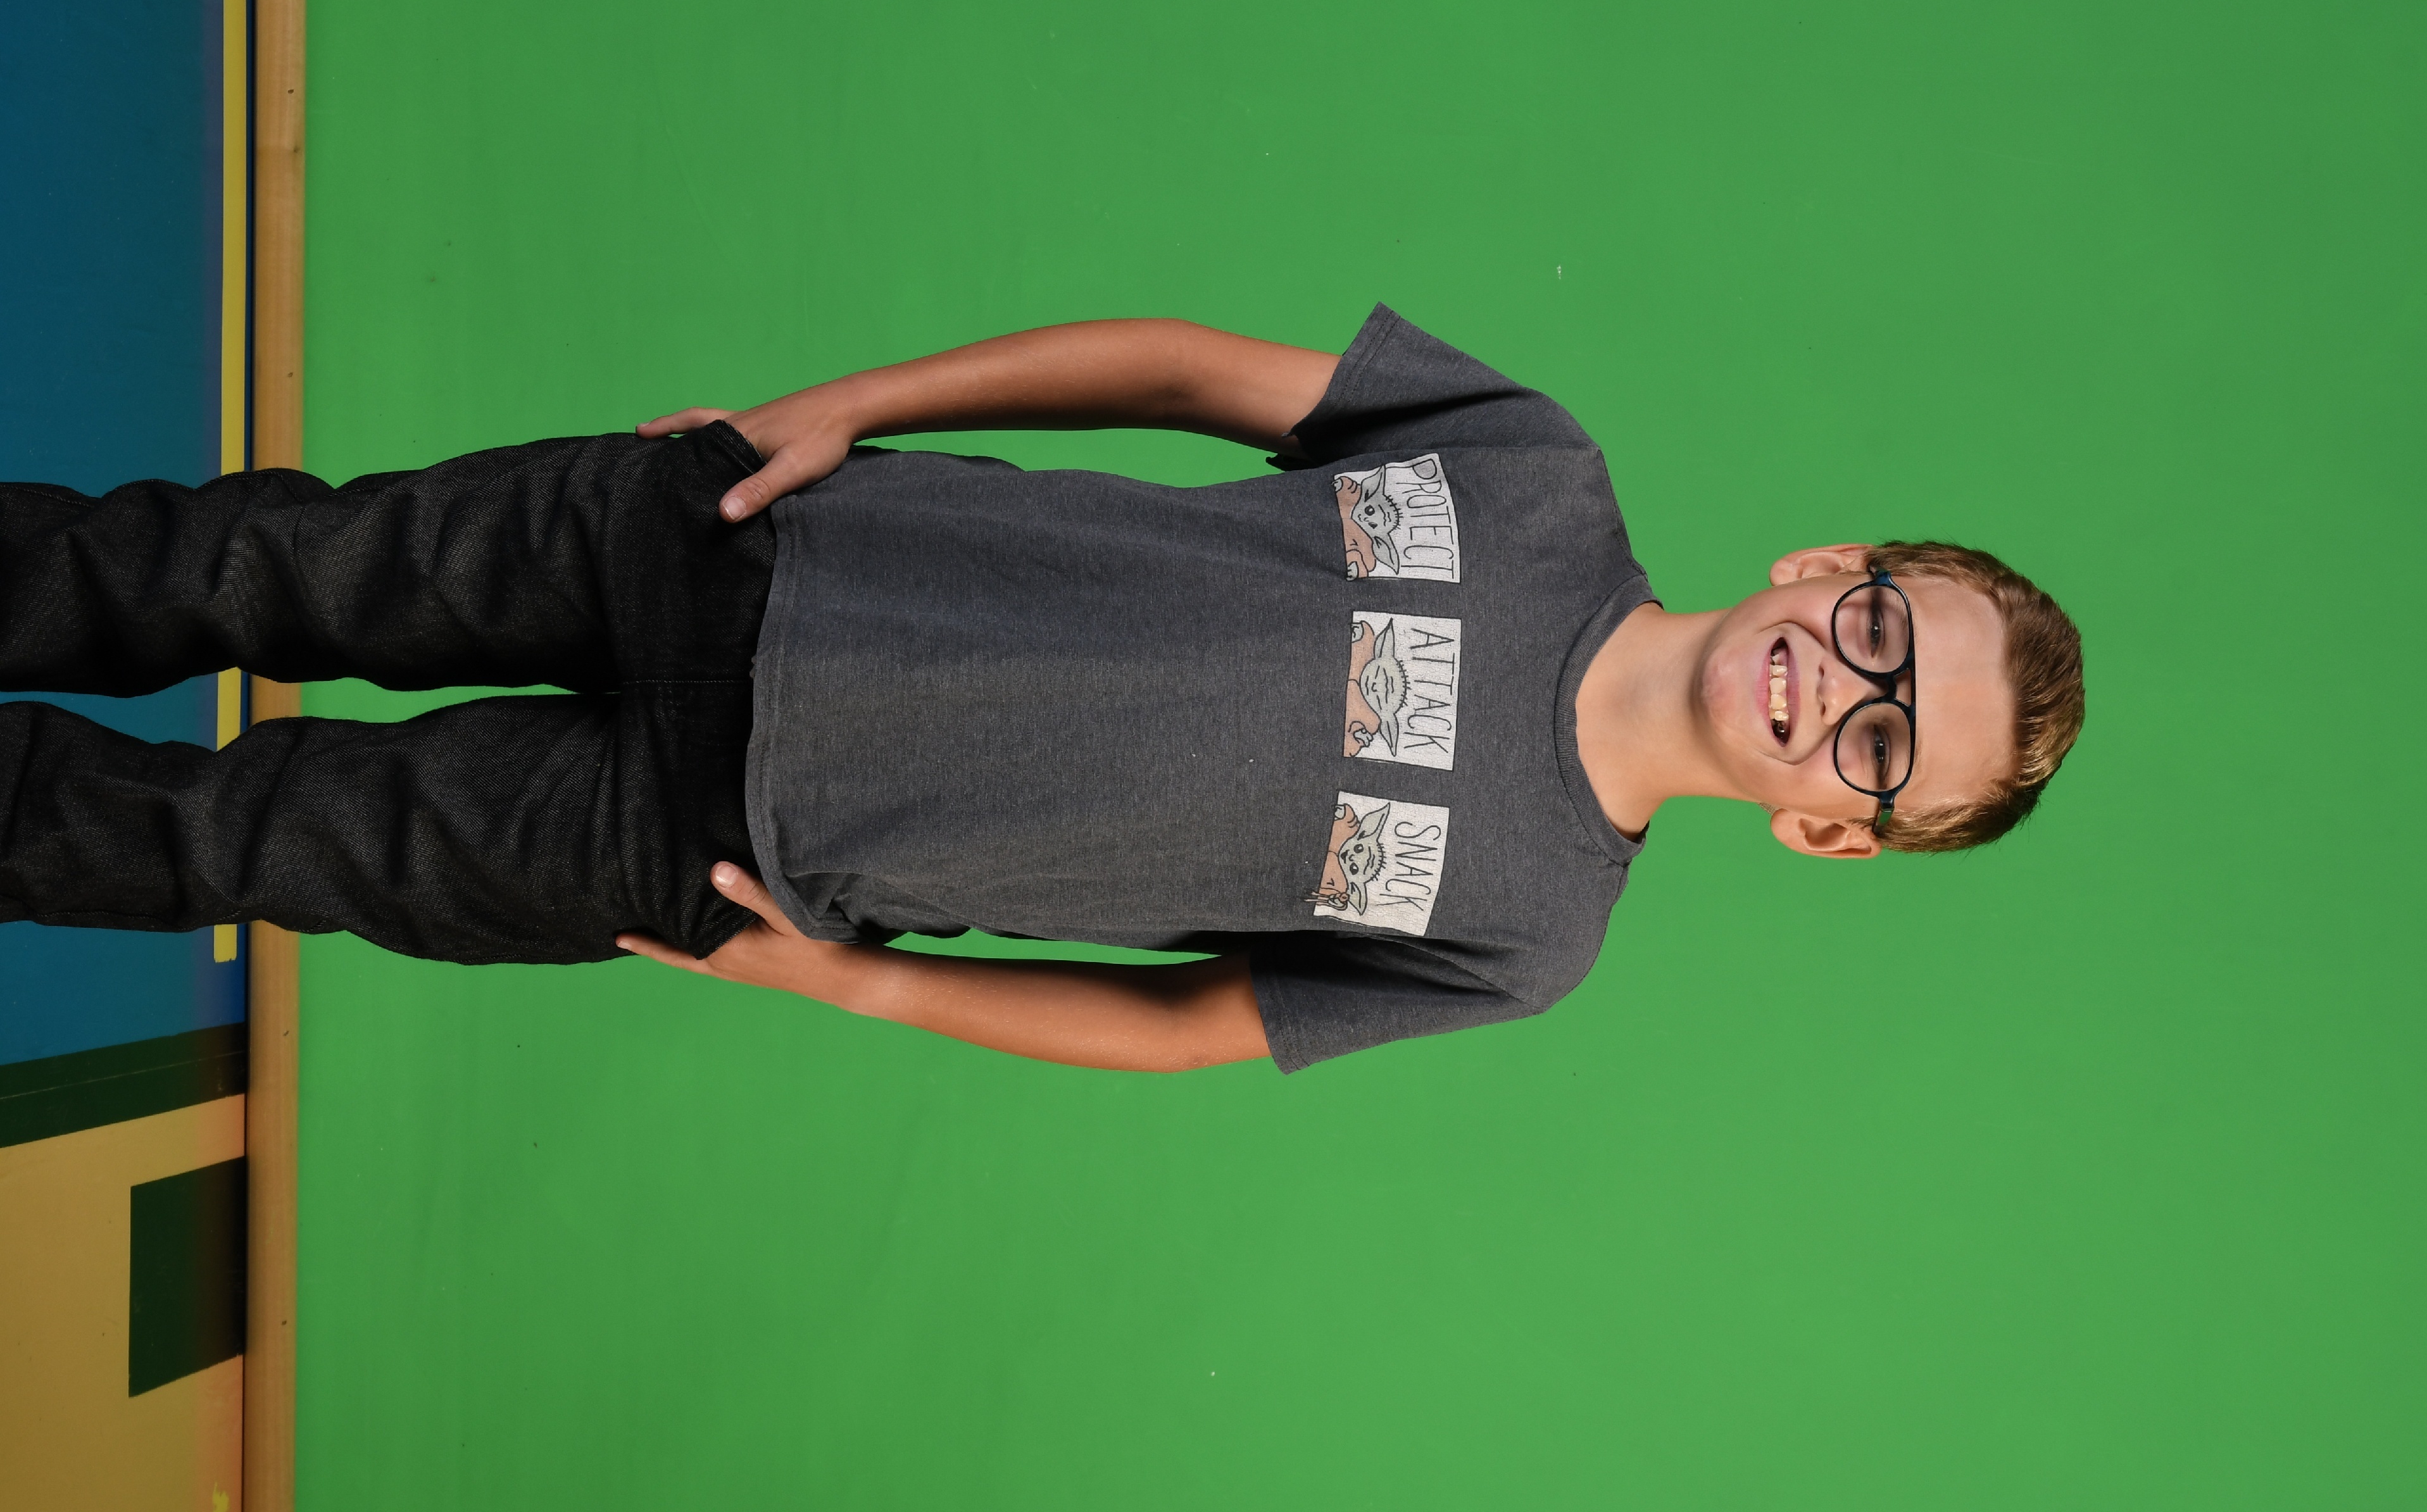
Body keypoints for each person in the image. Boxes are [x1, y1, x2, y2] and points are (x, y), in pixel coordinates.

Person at [0, 308, 2084, 1073]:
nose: (1844, 687)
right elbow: (1176, 369)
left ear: (1837, 830)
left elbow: (1186, 1029)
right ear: (1835, 566)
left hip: (731, 854)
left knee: (236, 839)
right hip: (741, 543)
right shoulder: (1537, 469)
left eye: (1886, 745)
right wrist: (842, 405)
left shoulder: (1529, 938)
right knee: (248, 562)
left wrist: (866, 991)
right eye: (1885, 627)